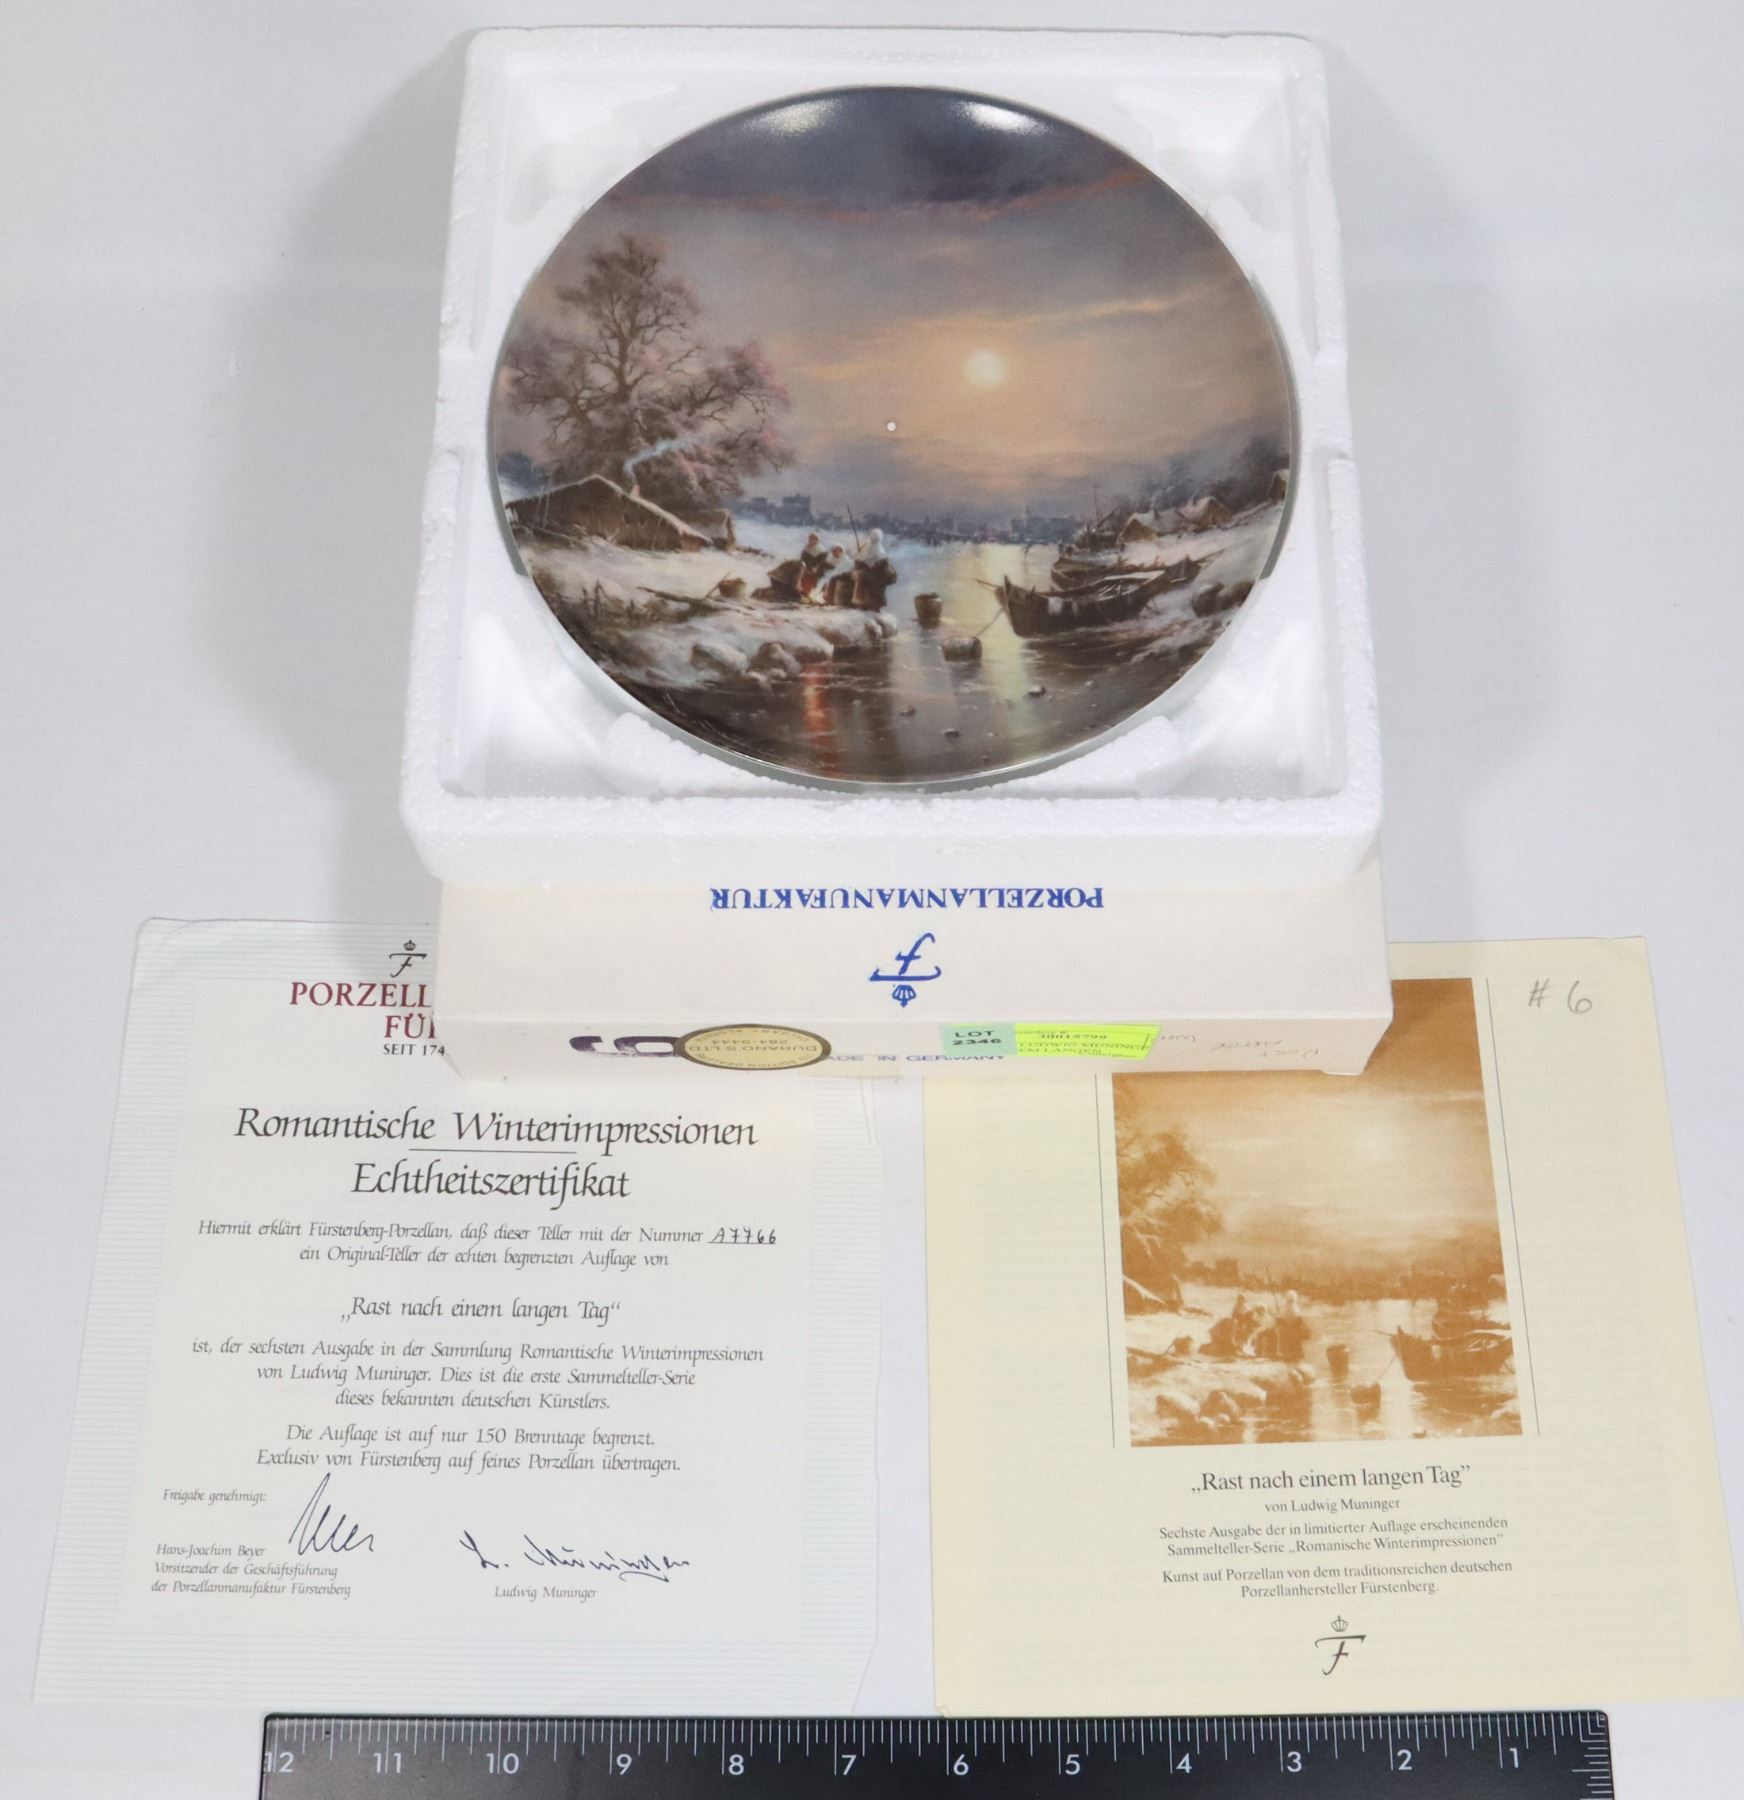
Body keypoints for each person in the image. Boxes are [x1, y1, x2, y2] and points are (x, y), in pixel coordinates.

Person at [851, 527, 898, 611]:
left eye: (876, 538)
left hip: (875, 581)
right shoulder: (867, 548)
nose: (874, 540)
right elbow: (858, 562)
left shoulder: (880, 551)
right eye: (874, 538)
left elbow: (883, 567)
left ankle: (869, 605)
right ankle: (866, 605)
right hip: (870, 582)